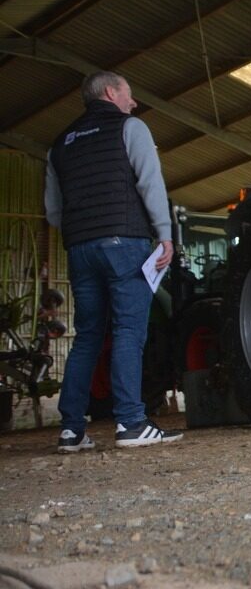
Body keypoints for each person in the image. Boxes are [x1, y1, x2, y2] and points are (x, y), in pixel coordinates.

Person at [45, 71, 182, 451]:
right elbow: (150, 182)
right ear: (110, 92)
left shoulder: (58, 144)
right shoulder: (130, 128)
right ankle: (131, 423)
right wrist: (165, 234)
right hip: (124, 243)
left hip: (80, 249)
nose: (133, 102)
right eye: (129, 93)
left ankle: (71, 429)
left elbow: (53, 213)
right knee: (128, 332)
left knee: (88, 336)